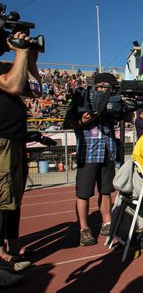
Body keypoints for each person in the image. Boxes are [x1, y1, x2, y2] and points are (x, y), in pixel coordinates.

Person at [0, 30, 42, 285]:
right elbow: (14, 86)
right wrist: (21, 52)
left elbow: (34, 90)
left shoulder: (7, 65)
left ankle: (7, 253)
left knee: (11, 200)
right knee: (1, 200)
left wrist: (31, 59)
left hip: (13, 140)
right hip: (1, 141)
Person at [63, 73, 119, 246]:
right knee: (83, 193)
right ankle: (84, 229)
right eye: (105, 87)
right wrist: (82, 120)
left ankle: (107, 223)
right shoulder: (83, 98)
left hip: (107, 152)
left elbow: (123, 117)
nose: (108, 90)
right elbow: (67, 123)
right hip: (87, 153)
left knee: (106, 191)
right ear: (98, 85)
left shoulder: (113, 102)